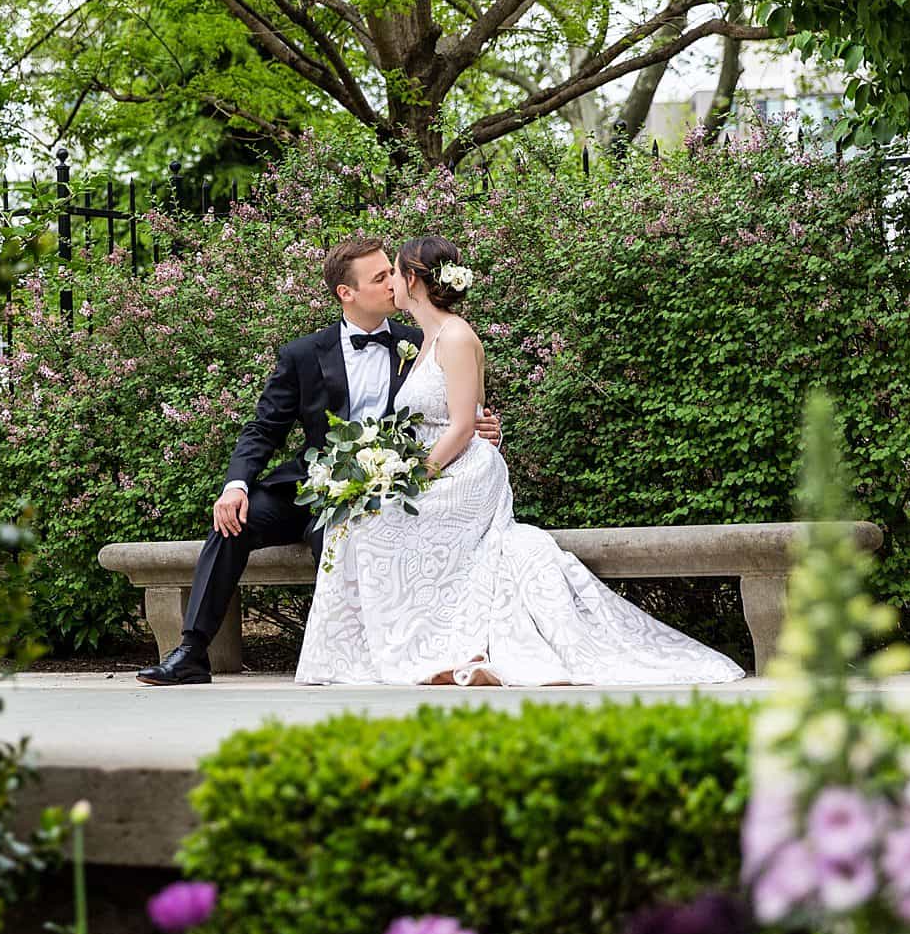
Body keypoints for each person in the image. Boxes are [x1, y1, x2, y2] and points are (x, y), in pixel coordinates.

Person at [293, 234, 744, 686]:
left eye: (394, 271)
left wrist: (414, 475)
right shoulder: (422, 341)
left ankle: (426, 646)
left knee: (374, 523)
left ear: (413, 279)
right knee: (353, 520)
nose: (390, 281)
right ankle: (390, 647)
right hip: (436, 464)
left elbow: (464, 426)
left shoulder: (455, 336)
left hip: (462, 472)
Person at [136, 235, 501, 685]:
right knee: (232, 523)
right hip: (312, 484)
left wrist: (482, 426)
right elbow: (264, 428)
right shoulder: (304, 354)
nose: (392, 283)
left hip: (383, 490)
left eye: (392, 273)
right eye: (379, 277)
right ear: (345, 293)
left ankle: (354, 654)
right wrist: (236, 485)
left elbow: (451, 410)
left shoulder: (421, 340)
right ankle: (192, 651)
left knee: (339, 532)